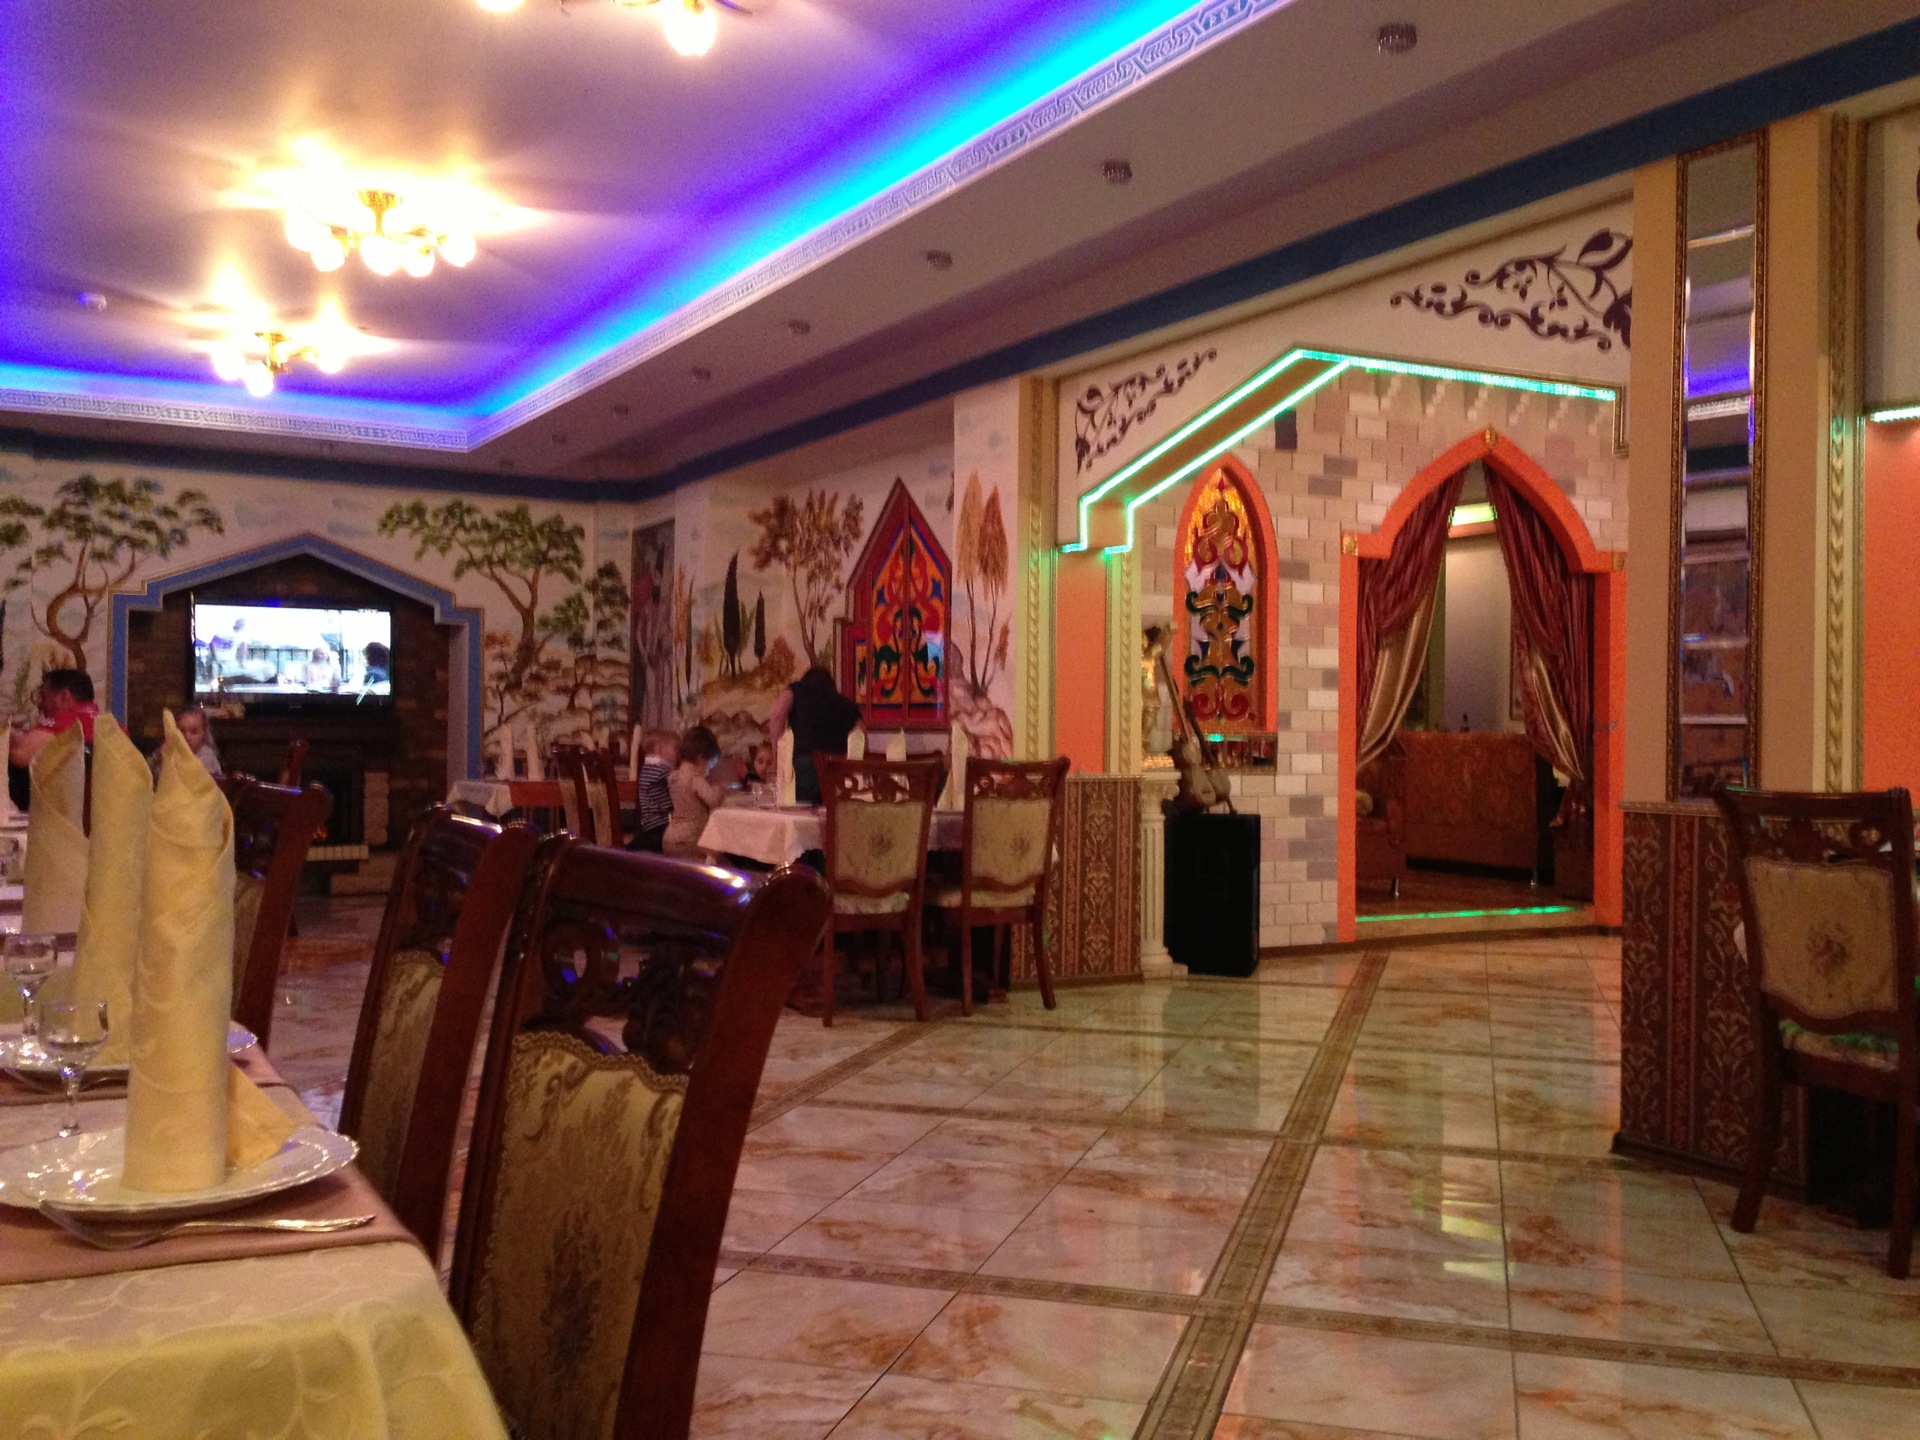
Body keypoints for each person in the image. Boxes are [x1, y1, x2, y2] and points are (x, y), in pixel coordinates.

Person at [768, 665, 863, 806]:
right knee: (830, 812)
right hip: (839, 774)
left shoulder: (797, 690)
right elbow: (862, 736)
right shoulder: (848, 705)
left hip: (804, 769)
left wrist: (777, 762)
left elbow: (777, 715)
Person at [8, 668, 99, 811]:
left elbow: (20, 754)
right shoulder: (111, 725)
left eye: (44, 696)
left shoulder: (67, 720)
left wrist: (5, 731)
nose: (40, 704)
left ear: (63, 696)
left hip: (60, 814)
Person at [663, 726, 726, 859]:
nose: (708, 769)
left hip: (670, 837)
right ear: (700, 757)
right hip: (691, 839)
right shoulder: (695, 779)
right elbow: (713, 800)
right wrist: (719, 788)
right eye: (709, 763)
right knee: (721, 860)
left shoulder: (674, 777)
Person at [630, 728, 677, 853]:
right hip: (660, 824)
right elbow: (678, 784)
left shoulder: (649, 768)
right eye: (675, 749)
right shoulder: (660, 770)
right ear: (658, 748)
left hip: (650, 824)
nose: (678, 754)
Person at [151, 706, 223, 779]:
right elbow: (156, 777)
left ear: (204, 733)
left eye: (194, 732)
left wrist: (168, 761)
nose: (187, 737)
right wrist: (161, 757)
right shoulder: (171, 750)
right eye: (182, 731)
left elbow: (184, 778)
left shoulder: (207, 757)